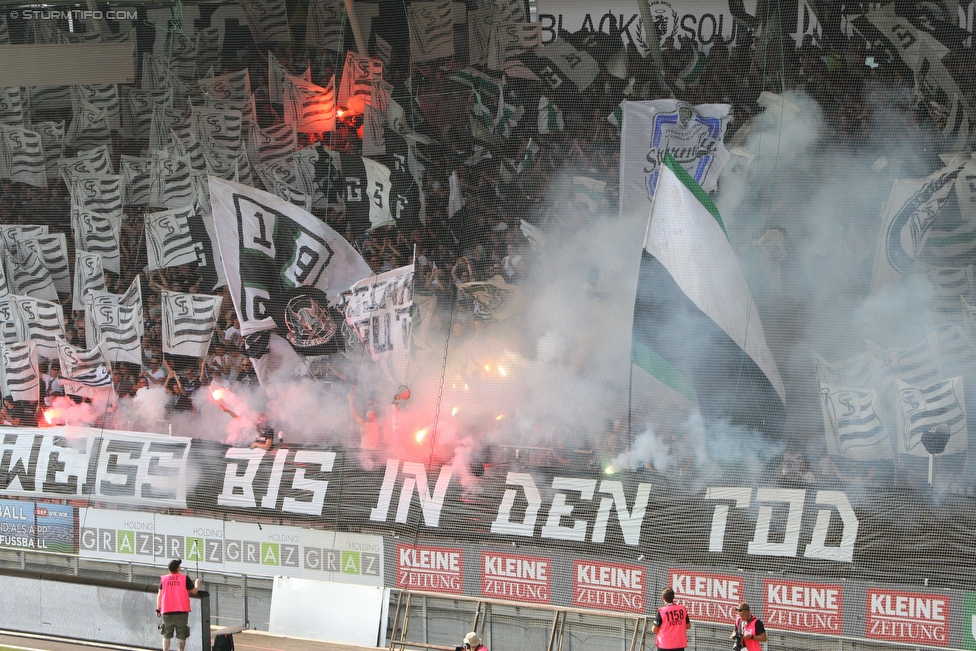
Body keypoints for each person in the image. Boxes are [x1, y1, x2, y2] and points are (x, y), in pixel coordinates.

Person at [156, 559, 201, 651]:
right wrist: (197, 584)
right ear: (178, 568)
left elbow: (159, 596)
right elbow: (194, 591)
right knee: (181, 635)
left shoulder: (164, 579)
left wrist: (158, 609)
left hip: (167, 611)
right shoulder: (184, 578)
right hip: (181, 611)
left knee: (166, 634)